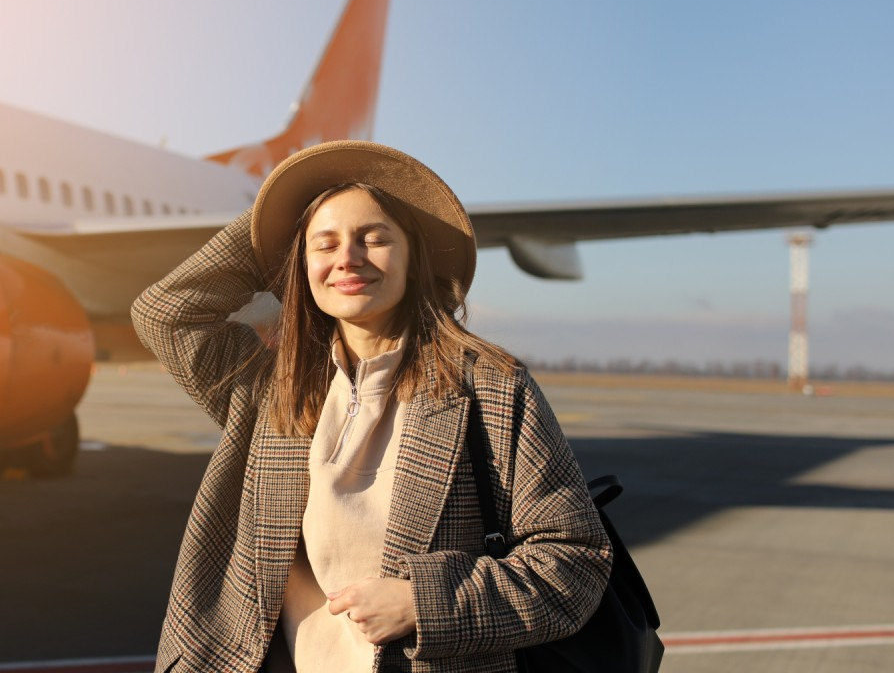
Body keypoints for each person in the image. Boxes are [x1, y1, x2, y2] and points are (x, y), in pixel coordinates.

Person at [132, 140, 611, 673]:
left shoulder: (493, 389)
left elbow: (576, 563)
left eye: (374, 238)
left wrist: (424, 603)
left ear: (413, 257)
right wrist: (282, 210)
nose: (347, 259)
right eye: (325, 244)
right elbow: (164, 313)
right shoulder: (271, 388)